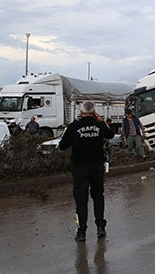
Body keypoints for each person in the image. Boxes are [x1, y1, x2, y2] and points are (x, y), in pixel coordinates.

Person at [59, 101, 114, 242]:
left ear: (81, 112)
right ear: (94, 112)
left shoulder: (73, 127)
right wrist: (100, 120)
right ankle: (101, 227)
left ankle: (81, 231)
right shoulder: (100, 125)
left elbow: (62, 146)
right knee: (98, 196)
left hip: (80, 168)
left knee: (81, 200)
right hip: (97, 166)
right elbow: (111, 135)